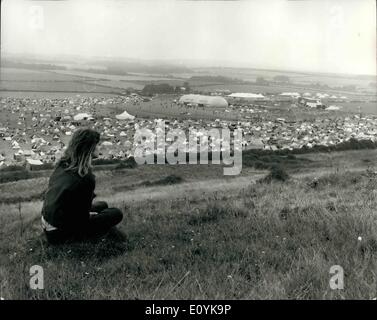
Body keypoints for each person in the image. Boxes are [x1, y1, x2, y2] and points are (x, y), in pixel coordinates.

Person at [41, 128, 123, 244]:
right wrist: (90, 216)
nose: (99, 148)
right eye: (97, 145)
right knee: (115, 213)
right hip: (60, 234)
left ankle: (111, 235)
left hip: (49, 223)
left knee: (102, 205)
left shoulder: (62, 165)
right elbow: (81, 219)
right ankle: (110, 239)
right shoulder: (86, 178)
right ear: (89, 148)